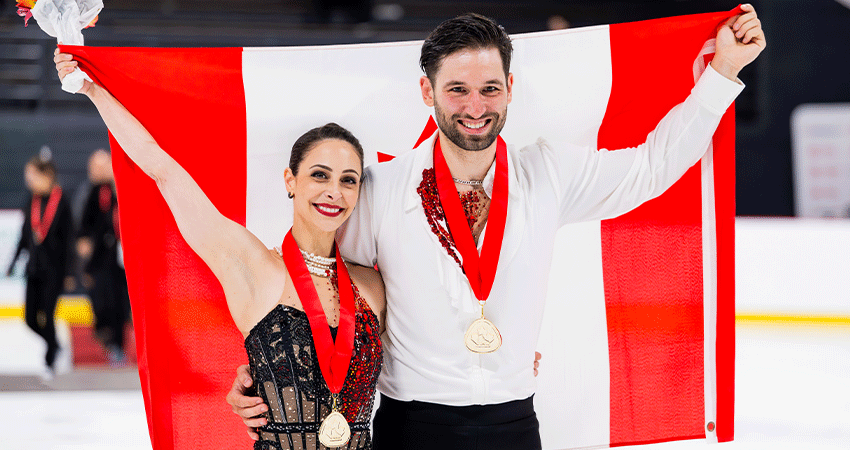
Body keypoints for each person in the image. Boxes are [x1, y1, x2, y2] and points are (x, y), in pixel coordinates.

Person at [226, 7, 765, 450]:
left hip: (513, 428)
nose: (475, 107)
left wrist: (722, 75)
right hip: (411, 430)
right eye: (456, 89)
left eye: (489, 88)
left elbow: (653, 166)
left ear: (509, 88)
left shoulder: (548, 173)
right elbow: (319, 284)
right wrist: (262, 374)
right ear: (426, 90)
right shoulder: (380, 189)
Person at [53, 52, 388, 449]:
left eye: (348, 180)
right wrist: (93, 89)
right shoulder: (252, 265)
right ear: (290, 180)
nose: (334, 190)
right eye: (319, 175)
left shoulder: (373, 284)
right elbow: (163, 170)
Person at [7, 151, 74, 377]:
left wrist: (69, 272)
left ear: (46, 175)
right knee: (30, 318)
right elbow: (25, 236)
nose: (28, 180)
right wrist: (13, 263)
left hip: (54, 270)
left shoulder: (61, 201)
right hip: (33, 268)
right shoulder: (32, 201)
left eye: (31, 175)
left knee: (47, 314)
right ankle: (55, 345)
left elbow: (68, 241)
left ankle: (50, 360)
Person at [76, 149, 132, 364]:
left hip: (120, 256)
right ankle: (104, 330)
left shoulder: (121, 187)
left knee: (119, 302)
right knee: (99, 299)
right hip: (98, 258)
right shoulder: (88, 192)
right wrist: (83, 242)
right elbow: (82, 223)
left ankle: (118, 346)